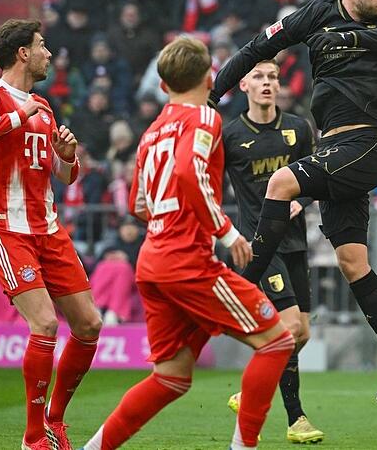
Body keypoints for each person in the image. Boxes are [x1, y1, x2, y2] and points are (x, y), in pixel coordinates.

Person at [210, 0, 377, 402]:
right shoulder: (318, 12)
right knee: (351, 261)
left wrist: (347, 42)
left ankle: (239, 292)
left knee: (280, 182)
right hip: (334, 147)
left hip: (363, 143)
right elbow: (257, 48)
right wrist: (212, 96)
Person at [80, 37, 294, 450]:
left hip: (152, 262)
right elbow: (188, 173)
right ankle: (243, 447)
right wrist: (226, 232)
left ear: (163, 86)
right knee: (277, 340)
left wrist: (169, 217)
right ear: (211, 75)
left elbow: (137, 203)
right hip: (188, 262)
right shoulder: (204, 118)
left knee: (171, 377)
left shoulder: (151, 132)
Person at [0, 18, 102, 450]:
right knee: (46, 324)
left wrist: (68, 157)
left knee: (90, 324)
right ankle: (33, 437)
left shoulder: (45, 107)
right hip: (6, 228)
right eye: (42, 45)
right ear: (22, 53)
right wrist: (18, 115)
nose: (48, 53)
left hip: (48, 229)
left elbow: (64, 176)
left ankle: (54, 420)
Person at [221, 59, 324, 444]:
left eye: (272, 78)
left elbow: (317, 178)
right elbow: (212, 186)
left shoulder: (297, 128)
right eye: (259, 78)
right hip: (261, 244)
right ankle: (296, 419)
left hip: (296, 241)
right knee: (291, 327)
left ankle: (249, 392)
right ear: (244, 85)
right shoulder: (231, 136)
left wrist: (303, 198)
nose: (267, 83)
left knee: (302, 334)